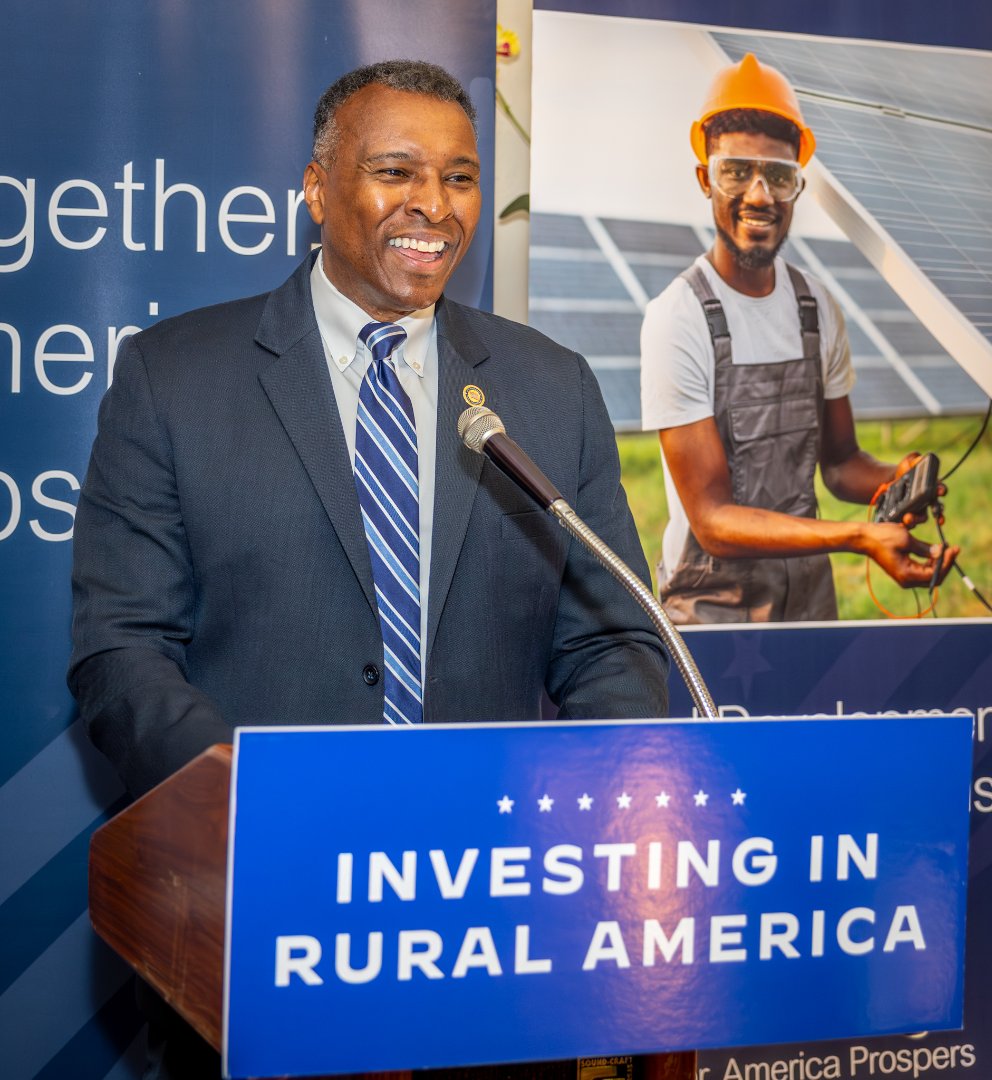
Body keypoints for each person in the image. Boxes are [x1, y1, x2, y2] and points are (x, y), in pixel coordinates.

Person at [69, 60, 670, 1075]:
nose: (431, 207)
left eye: (460, 177)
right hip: (259, 921)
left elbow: (611, 637)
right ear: (315, 188)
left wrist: (583, 820)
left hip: (498, 941)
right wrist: (263, 811)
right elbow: (121, 652)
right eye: (395, 171)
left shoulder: (549, 389)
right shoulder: (175, 377)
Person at [640, 53, 957, 624]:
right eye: (736, 170)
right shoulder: (677, 318)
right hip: (713, 614)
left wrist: (897, 478)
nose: (759, 195)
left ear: (796, 187)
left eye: (779, 176)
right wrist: (860, 536)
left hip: (810, 607)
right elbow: (711, 519)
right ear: (704, 179)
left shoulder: (817, 308)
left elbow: (839, 464)